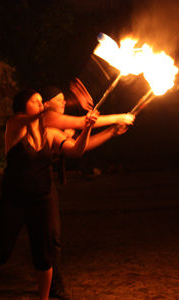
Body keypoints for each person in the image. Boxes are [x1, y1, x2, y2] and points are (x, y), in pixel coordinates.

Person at [0, 89, 98, 300]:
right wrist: (52, 108)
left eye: (42, 101)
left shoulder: (49, 133)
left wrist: (87, 128)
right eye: (36, 101)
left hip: (41, 200)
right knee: (0, 250)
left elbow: (76, 150)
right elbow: (37, 116)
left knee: (43, 254)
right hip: (14, 200)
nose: (41, 104)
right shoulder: (15, 126)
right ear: (23, 105)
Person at [38, 83, 134, 300]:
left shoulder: (56, 125)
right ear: (45, 105)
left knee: (53, 236)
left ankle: (55, 284)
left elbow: (78, 148)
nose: (63, 102)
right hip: (19, 185)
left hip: (44, 185)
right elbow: (82, 123)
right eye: (59, 99)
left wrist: (111, 132)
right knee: (5, 240)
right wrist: (119, 117)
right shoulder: (45, 118)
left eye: (64, 98)